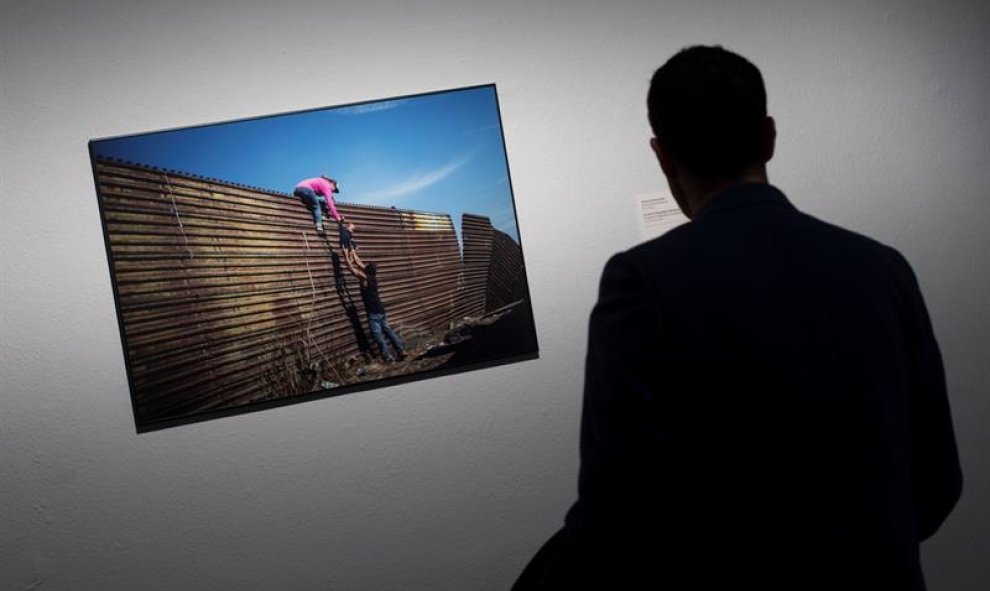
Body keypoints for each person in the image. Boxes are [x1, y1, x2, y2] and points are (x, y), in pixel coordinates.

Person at [513, 45, 962, 590]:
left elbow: (616, 512)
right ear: (770, 135)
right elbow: (938, 484)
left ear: (662, 155)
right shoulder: (882, 268)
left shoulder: (642, 282)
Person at [344, 258, 406, 363]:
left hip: (373, 313)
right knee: (389, 331)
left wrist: (346, 257)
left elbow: (352, 269)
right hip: (381, 310)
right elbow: (360, 264)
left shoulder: (364, 279)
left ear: (366, 270)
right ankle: (401, 351)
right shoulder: (373, 277)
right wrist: (353, 253)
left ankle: (388, 358)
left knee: (378, 336)